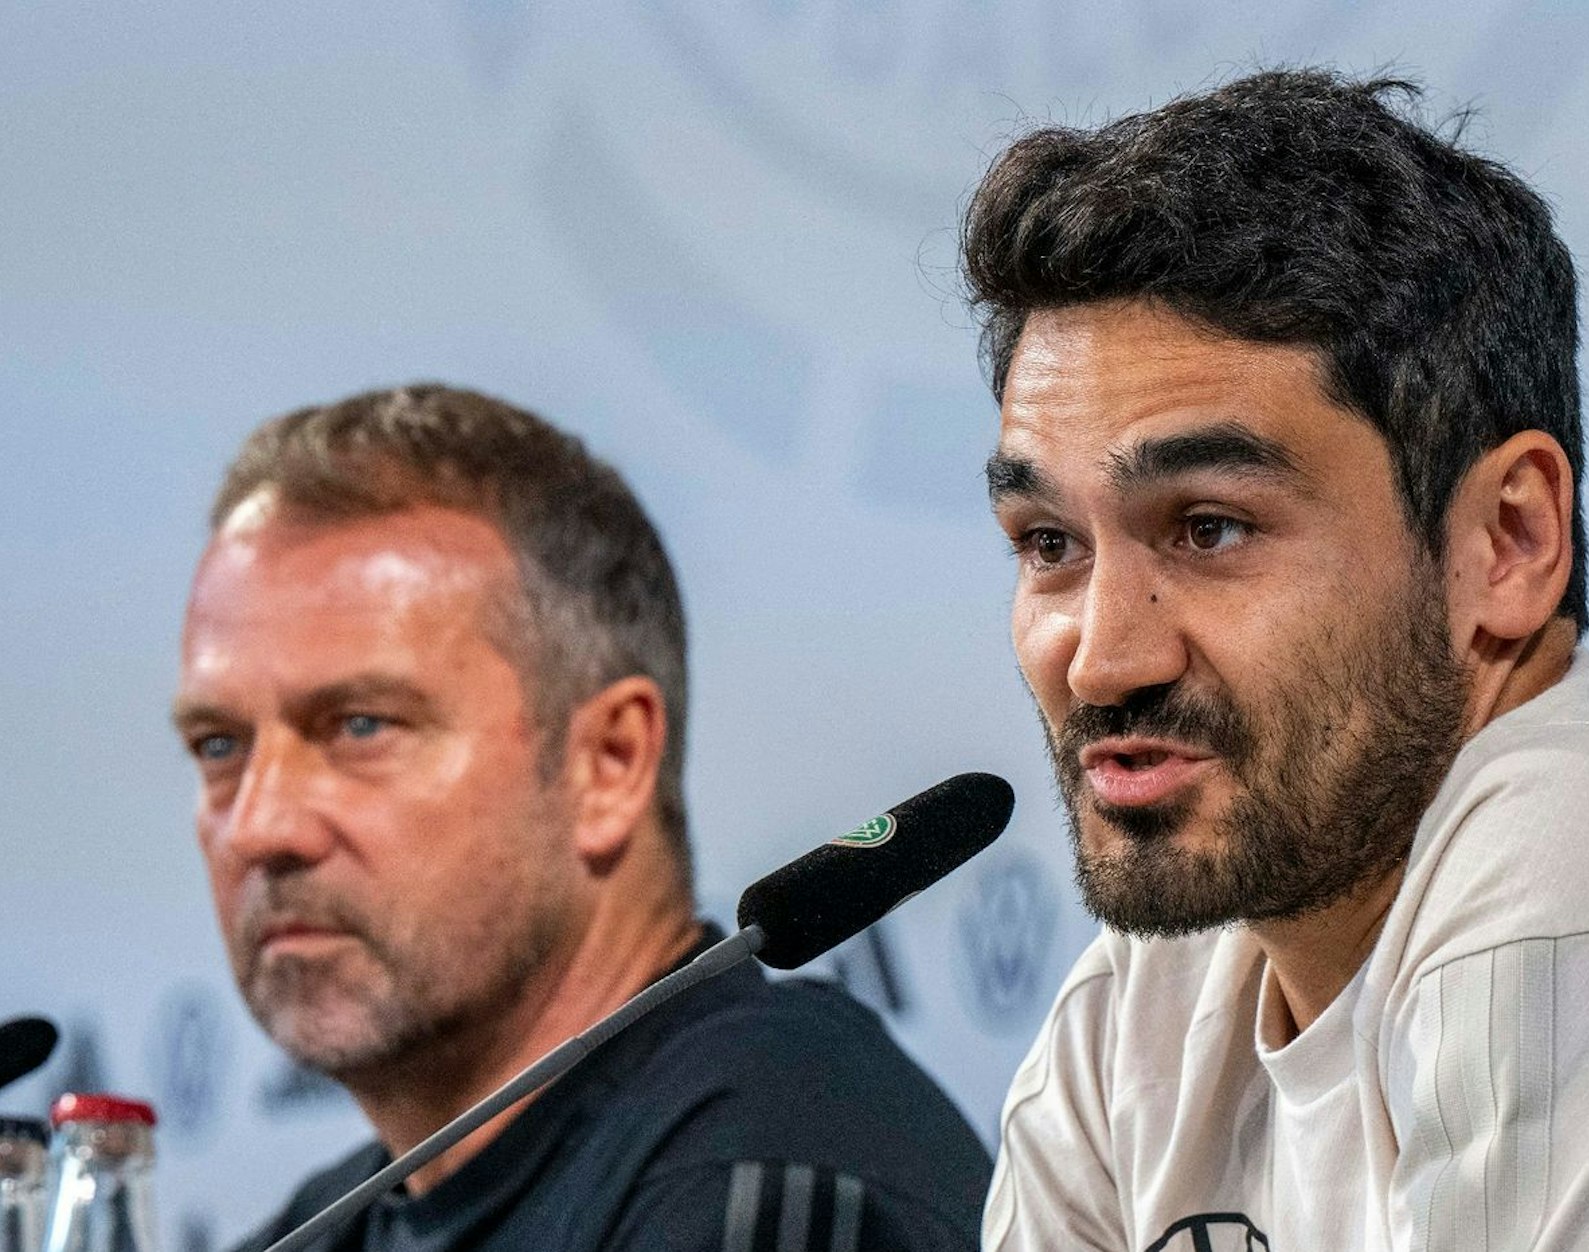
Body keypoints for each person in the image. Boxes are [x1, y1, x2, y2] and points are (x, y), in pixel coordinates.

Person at [962, 69, 1589, 1250]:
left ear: (1505, 539)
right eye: (1047, 544)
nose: (1098, 660)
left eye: (1209, 529)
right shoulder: (1143, 1004)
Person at [173, 385, 990, 1251]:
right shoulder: (324, 1225)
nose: (261, 828)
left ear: (609, 763)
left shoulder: (768, 1157)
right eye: (220, 746)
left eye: (361, 727)